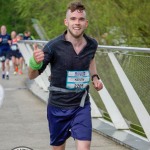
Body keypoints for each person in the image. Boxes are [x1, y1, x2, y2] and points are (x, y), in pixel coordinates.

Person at [28, 1, 103, 150]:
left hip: (81, 105)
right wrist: (34, 63)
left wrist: (95, 77)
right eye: (73, 19)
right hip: (57, 107)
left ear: (86, 23)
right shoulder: (53, 46)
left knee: (84, 147)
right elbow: (32, 76)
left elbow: (91, 60)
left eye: (81, 19)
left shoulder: (92, 44)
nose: (77, 23)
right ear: (66, 22)